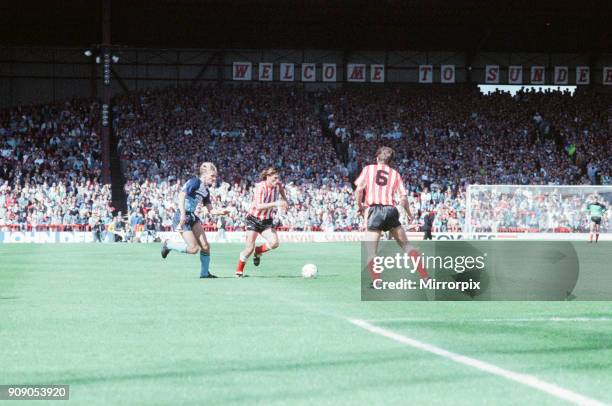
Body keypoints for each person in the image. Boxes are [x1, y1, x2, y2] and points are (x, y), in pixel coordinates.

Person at [354, 146, 429, 285]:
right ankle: (425, 277)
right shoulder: (395, 174)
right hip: (390, 210)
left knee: (371, 251)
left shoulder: (368, 169)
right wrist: (409, 214)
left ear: (377, 158)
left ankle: (377, 281)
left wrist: (359, 207)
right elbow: (404, 198)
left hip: (374, 211)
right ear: (391, 161)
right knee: (407, 246)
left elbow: (359, 190)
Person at [161, 162, 230, 278]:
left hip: (192, 216)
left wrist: (221, 212)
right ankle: (168, 244)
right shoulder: (195, 182)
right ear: (204, 174)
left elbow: (210, 210)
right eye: (212, 176)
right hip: (181, 216)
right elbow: (181, 196)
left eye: (215, 176)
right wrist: (183, 215)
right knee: (193, 249)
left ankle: (204, 273)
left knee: (206, 246)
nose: (214, 179)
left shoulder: (206, 191)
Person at [235, 167, 288, 278]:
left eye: (278, 178)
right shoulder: (260, 187)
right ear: (267, 177)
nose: (277, 180)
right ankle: (239, 272)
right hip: (253, 219)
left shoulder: (277, 185)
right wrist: (276, 203)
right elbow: (259, 206)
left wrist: (285, 200)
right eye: (274, 178)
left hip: (266, 221)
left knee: (274, 243)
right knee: (249, 248)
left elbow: (282, 190)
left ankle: (258, 250)